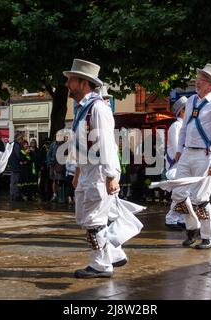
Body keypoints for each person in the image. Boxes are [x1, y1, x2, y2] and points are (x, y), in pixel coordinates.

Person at [64, 59, 131, 278]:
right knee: (86, 216)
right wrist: (77, 170)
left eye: (70, 80)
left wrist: (112, 175)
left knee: (94, 220)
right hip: (89, 170)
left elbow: (106, 144)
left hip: (100, 172)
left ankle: (101, 265)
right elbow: (83, 145)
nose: (67, 84)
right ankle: (115, 253)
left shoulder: (98, 108)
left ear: (83, 83)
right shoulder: (84, 109)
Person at [171, 63, 211, 249]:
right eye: (198, 79)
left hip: (206, 154)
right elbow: (184, 128)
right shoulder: (191, 101)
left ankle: (210, 235)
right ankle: (192, 226)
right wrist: (179, 149)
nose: (197, 83)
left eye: (202, 80)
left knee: (200, 198)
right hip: (187, 153)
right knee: (178, 194)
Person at [164, 96, 188, 230]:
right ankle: (171, 219)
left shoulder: (182, 126)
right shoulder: (177, 126)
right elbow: (176, 148)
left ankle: (180, 218)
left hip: (182, 164)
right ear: (182, 111)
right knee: (180, 192)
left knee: (183, 193)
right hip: (177, 164)